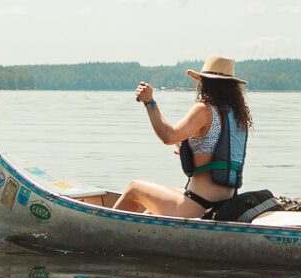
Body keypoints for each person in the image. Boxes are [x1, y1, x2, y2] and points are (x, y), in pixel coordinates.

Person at [107, 55, 252, 219]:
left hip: (197, 205)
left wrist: (149, 103)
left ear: (205, 83)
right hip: (224, 203)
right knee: (150, 210)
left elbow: (168, 136)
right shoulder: (237, 117)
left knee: (134, 188)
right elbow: (209, 149)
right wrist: (183, 149)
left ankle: (104, 230)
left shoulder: (204, 110)